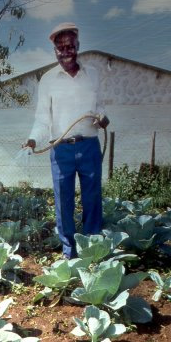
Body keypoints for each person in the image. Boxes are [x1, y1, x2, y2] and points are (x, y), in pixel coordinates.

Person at [24, 22, 110, 259]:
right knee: (64, 202)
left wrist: (103, 118)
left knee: (92, 199)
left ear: (78, 46)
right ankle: (69, 253)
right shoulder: (48, 80)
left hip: (90, 145)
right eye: (60, 47)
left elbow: (100, 107)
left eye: (70, 46)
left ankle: (93, 250)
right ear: (55, 50)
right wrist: (32, 140)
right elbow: (42, 119)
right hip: (61, 150)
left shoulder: (92, 74)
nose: (66, 51)